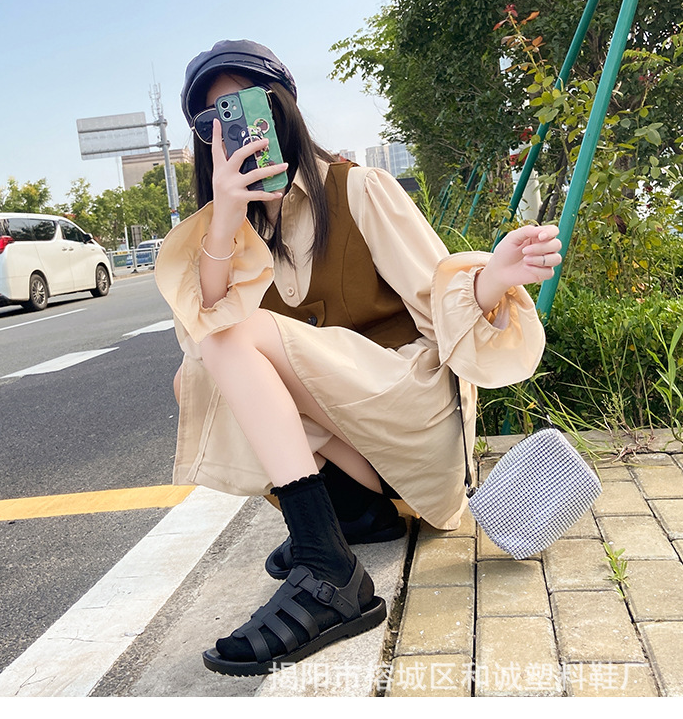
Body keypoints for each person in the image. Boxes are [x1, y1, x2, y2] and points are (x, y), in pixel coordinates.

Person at [155, 39, 562, 677]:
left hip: (409, 415)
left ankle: (328, 568)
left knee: (231, 336)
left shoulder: (359, 188)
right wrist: (225, 217)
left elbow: (438, 299)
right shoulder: (235, 230)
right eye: (214, 118)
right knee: (199, 369)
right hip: (358, 454)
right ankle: (352, 519)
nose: (234, 126)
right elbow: (207, 327)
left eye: (248, 103)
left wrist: (492, 279)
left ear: (282, 108)